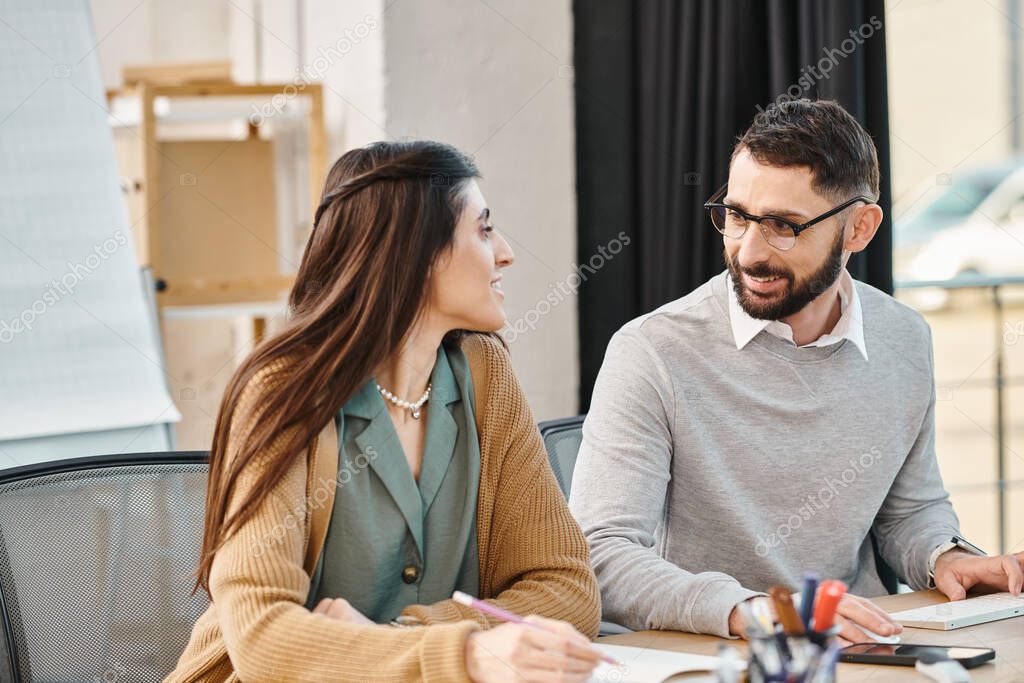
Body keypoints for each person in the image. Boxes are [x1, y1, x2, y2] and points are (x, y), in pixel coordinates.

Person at [569, 99, 1024, 644]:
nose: (749, 251)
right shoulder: (652, 351)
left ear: (860, 228)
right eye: (736, 216)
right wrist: (757, 612)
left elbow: (909, 511)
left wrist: (944, 556)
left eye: (783, 225)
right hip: (712, 651)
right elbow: (602, 556)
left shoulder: (903, 338)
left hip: (858, 647)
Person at [167, 140, 602, 682]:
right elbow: (262, 638)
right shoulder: (281, 393)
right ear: (416, 253)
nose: (506, 252)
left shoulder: (484, 374)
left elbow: (566, 589)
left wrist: (399, 637)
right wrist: (465, 654)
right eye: (484, 230)